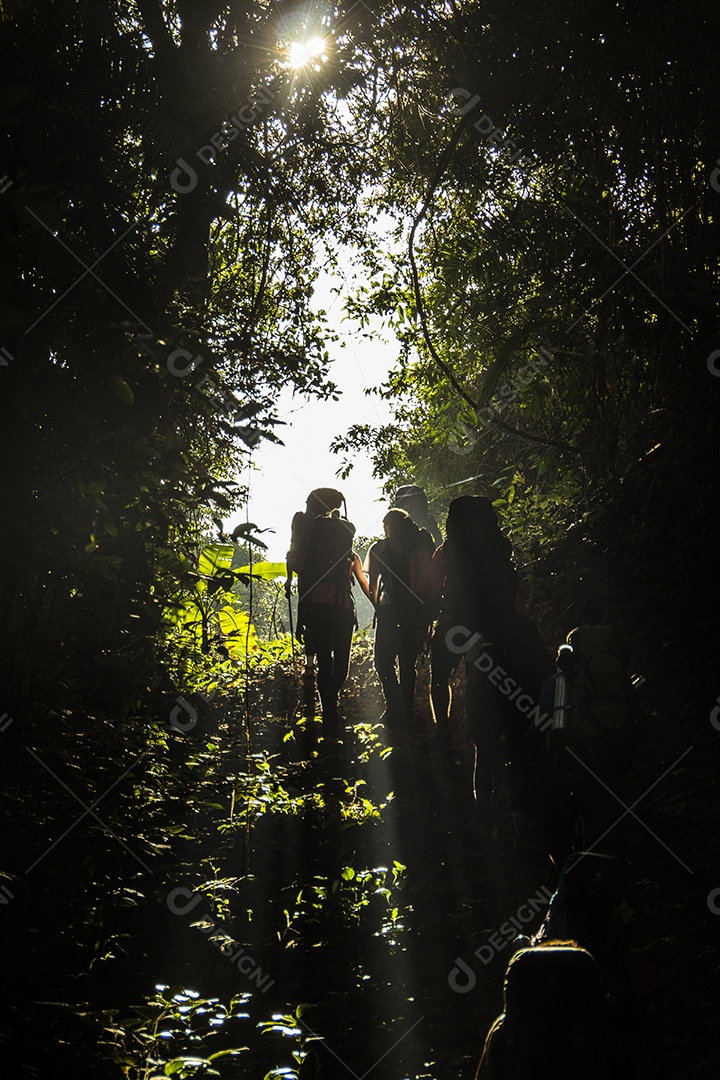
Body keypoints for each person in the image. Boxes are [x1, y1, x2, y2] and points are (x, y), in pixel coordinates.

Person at [285, 489, 373, 737]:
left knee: (325, 659)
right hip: (342, 608)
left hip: (314, 608)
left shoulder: (306, 536)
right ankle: (331, 708)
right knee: (341, 664)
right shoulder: (347, 547)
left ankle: (329, 711)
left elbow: (295, 563)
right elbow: (364, 585)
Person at [365, 508, 435, 735]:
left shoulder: (380, 549)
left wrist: (378, 606)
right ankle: (407, 709)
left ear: (388, 526)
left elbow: (373, 585)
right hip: (416, 612)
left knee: (383, 661)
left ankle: (394, 705)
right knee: (407, 663)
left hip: (390, 612)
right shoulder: (420, 545)